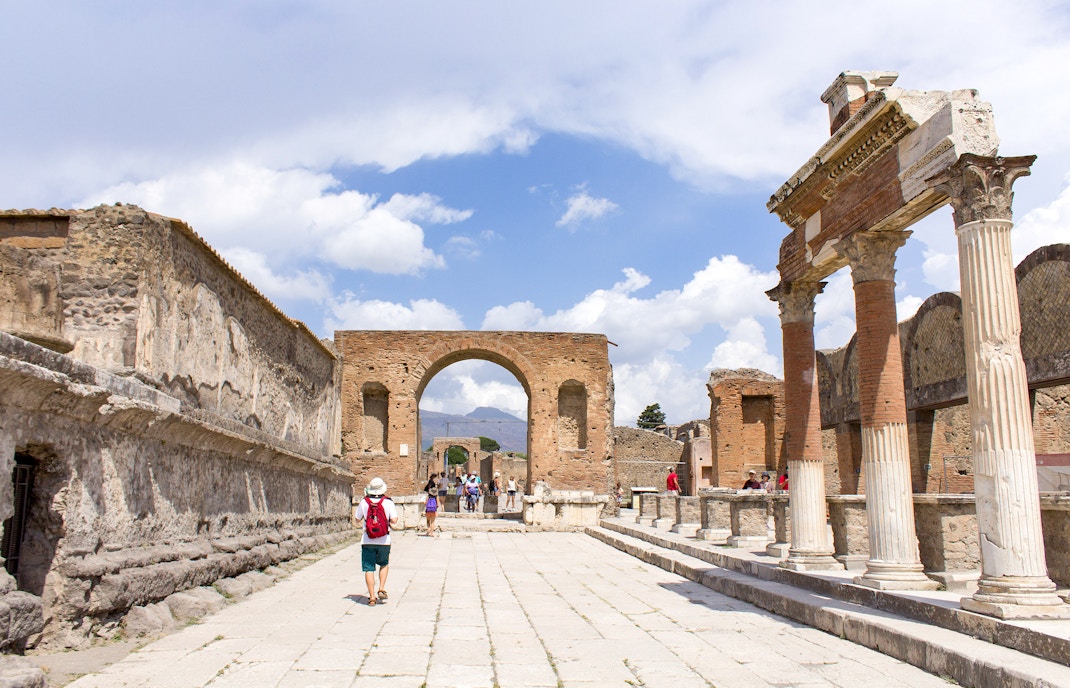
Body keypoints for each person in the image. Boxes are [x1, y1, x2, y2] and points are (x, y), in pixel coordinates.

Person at [354, 477, 398, 606]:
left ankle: (372, 597)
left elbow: (357, 519)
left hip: (367, 539)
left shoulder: (364, 502)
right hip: (384, 539)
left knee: (369, 568)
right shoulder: (388, 502)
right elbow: (394, 520)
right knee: (384, 563)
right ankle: (381, 588)